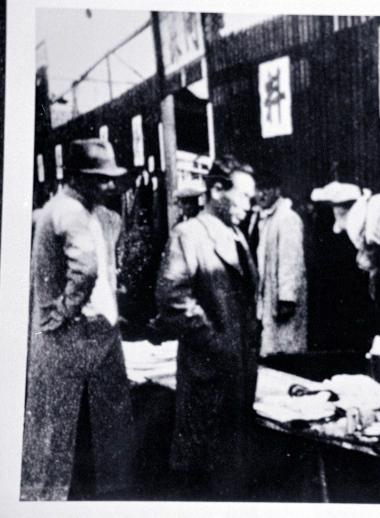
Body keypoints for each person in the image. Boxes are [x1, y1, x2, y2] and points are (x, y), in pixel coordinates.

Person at [22, 138, 134, 500]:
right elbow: (85, 269)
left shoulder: (76, 211)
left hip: (74, 338)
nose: (110, 186)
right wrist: (65, 309)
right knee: (62, 431)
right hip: (75, 338)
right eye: (101, 179)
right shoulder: (70, 211)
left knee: (63, 432)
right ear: (78, 177)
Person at [155, 157, 258, 499]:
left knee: (233, 473)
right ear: (216, 190)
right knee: (205, 482)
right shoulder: (189, 234)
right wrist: (218, 343)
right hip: (208, 378)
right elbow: (172, 300)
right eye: (243, 196)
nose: (249, 204)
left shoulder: (237, 235)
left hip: (237, 378)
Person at [247, 170, 307, 357]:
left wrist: (286, 298)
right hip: (266, 297)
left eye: (267, 189)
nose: (261, 194)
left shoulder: (287, 218)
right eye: (258, 189)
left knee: (285, 346)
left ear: (277, 191)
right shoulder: (260, 218)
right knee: (269, 345)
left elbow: (292, 260)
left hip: (281, 300)